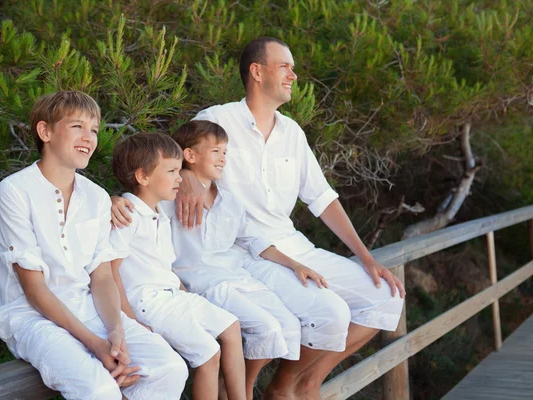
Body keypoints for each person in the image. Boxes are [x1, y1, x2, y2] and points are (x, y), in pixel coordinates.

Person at [112, 37, 406, 400]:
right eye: (285, 66)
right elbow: (167, 160)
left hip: (290, 245)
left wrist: (366, 258)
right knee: (328, 312)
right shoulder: (217, 118)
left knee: (385, 298)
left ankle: (296, 383)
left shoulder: (292, 133)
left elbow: (322, 198)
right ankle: (254, 389)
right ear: (257, 71)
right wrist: (185, 175)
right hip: (242, 252)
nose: (294, 75)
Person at [0, 91, 188, 400]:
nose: (89, 137)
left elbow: (103, 276)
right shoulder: (15, 191)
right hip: (31, 317)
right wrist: (95, 344)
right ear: (45, 132)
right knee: (99, 389)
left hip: (89, 307)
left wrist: (116, 330)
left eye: (94, 129)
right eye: (77, 126)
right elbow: (34, 288)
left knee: (170, 368)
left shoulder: (96, 197)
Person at [167, 120, 332, 399]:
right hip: (202, 283)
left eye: (225, 152)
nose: (223, 158)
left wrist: (296, 264)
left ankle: (231, 383)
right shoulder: (171, 195)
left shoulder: (230, 201)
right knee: (266, 328)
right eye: (215, 151)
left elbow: (255, 240)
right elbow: (140, 203)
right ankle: (239, 391)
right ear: (190, 155)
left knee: (289, 327)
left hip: (234, 278)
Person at [109, 132, 247, 400]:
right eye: (172, 171)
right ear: (143, 177)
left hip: (172, 296)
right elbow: (110, 272)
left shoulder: (160, 213)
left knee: (231, 326)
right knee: (209, 353)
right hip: (147, 304)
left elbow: (165, 267)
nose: (180, 178)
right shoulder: (127, 214)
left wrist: (185, 295)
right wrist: (131, 322)